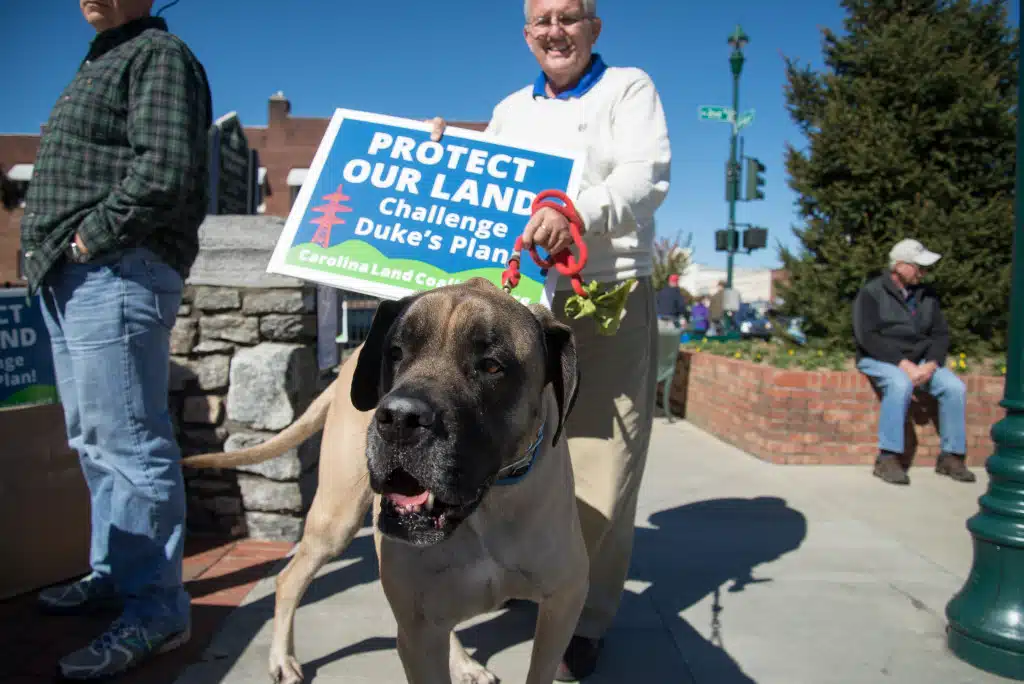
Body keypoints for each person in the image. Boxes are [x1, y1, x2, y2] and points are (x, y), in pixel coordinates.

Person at [429, 0, 671, 678]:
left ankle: (582, 618)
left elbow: (644, 175)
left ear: (594, 28)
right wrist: (443, 154)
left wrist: (573, 212)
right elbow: (488, 179)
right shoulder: (512, 108)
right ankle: (533, 578)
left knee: (601, 460)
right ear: (527, 33)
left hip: (606, 296)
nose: (556, 31)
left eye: (570, 17)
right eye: (543, 20)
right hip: (522, 303)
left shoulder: (629, 88)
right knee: (517, 451)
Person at [20, 1, 212, 679]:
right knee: (96, 441)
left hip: (112, 269)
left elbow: (164, 168)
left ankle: (158, 609)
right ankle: (113, 573)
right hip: (77, 277)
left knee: (130, 442)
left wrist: (87, 239)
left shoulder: (157, 55)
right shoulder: (106, 54)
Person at [852, 238, 975, 486]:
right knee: (899, 384)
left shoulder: (927, 295)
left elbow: (940, 334)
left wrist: (931, 364)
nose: (924, 272)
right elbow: (867, 336)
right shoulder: (872, 292)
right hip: (879, 358)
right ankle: (887, 458)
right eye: (919, 266)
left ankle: (951, 457)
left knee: (954, 388)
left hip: (920, 361)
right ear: (900, 266)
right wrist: (903, 365)